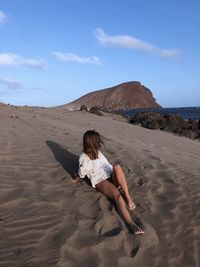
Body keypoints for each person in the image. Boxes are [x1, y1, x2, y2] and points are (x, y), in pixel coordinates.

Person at [77, 130, 144, 235]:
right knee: (118, 197)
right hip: (101, 180)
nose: (99, 143)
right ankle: (131, 224)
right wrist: (85, 167)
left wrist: (114, 176)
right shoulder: (84, 158)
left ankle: (128, 198)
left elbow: (107, 165)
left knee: (117, 167)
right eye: (97, 141)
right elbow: (81, 174)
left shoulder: (98, 152)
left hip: (109, 174)